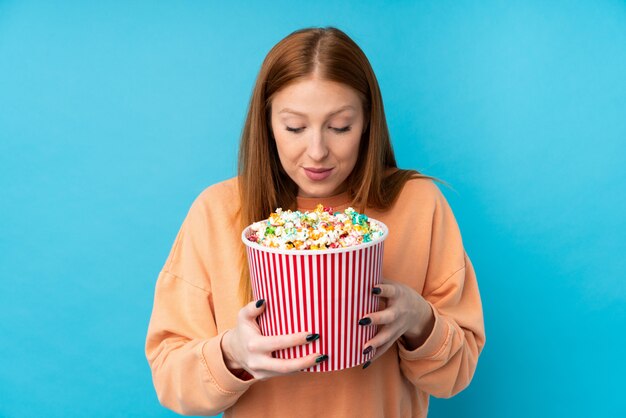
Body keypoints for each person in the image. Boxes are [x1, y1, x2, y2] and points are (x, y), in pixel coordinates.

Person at [145, 26, 485, 418]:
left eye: (340, 126)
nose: (318, 151)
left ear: (367, 123)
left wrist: (419, 319)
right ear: (267, 124)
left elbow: (455, 376)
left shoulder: (419, 205)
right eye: (294, 128)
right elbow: (172, 380)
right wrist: (231, 353)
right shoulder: (217, 212)